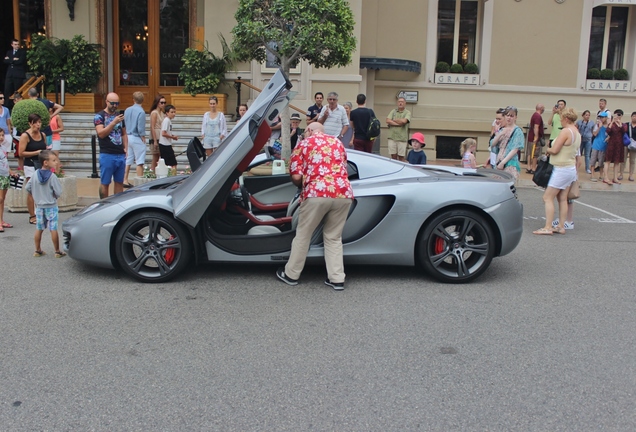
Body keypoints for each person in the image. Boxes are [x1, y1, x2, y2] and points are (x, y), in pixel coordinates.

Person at [276, 122, 354, 291]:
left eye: (305, 132)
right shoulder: (337, 143)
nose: (304, 135)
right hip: (343, 193)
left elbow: (297, 176)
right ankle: (337, 279)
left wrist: (300, 181)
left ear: (310, 131)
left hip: (316, 194)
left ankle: (291, 274)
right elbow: (344, 168)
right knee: (333, 237)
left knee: (304, 235)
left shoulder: (304, 143)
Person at [533, 108, 581, 236]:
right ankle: (561, 226)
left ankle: (548, 226)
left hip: (561, 168)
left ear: (566, 119)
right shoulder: (577, 132)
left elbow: (555, 150)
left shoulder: (566, 131)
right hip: (570, 168)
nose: (560, 121)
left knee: (547, 197)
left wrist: (547, 150)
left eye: (561, 119)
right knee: (562, 198)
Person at [25, 150, 65, 258]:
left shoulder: (34, 175)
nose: (56, 162)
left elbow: (27, 188)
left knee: (39, 228)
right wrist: (54, 196)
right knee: (53, 228)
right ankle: (57, 251)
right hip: (51, 206)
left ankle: (37, 250)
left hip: (39, 207)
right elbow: (58, 192)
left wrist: (36, 195)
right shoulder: (52, 177)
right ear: (45, 162)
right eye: (53, 160)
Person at [94, 92, 127, 199]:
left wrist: (126, 148)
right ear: (106, 102)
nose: (115, 106)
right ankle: (103, 205)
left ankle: (117, 204)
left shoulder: (119, 116)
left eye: (117, 103)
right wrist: (113, 123)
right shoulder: (99, 116)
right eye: (112, 103)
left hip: (120, 154)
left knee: (119, 182)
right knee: (105, 182)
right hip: (107, 153)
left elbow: (124, 133)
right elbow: (101, 134)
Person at [18, 113, 47, 224]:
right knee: (32, 190)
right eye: (35, 123)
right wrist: (36, 152)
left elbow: (45, 148)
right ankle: (32, 215)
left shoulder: (42, 135)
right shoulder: (25, 136)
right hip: (30, 164)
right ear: (30, 124)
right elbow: (21, 153)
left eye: (39, 122)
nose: (38, 125)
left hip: (41, 165)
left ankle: (42, 212)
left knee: (42, 189)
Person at [491, 106, 525, 179]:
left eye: (512, 116)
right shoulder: (502, 129)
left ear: (516, 117)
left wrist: (503, 162)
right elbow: (493, 144)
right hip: (499, 160)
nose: (509, 118)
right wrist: (500, 134)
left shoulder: (517, 131)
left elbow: (515, 149)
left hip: (510, 163)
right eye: (507, 115)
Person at [122, 91, 146, 187]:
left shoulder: (127, 110)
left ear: (133, 99)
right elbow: (140, 127)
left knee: (128, 159)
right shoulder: (141, 111)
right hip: (136, 136)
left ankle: (125, 179)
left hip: (128, 135)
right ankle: (139, 182)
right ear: (143, 100)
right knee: (139, 160)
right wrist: (143, 136)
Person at [603, 109, 626, 185]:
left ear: (622, 116)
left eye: (619, 115)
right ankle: (606, 177)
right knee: (608, 161)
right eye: (616, 114)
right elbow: (607, 131)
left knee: (617, 162)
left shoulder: (623, 125)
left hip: (619, 146)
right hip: (611, 144)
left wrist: (619, 124)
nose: (618, 116)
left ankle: (615, 178)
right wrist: (612, 122)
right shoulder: (611, 124)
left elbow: (624, 131)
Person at [0, 128, 17, 231]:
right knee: (0, 200)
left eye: (2, 135)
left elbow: (5, 162)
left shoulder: (2, 147)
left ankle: (1, 220)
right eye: (0, 135)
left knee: (2, 200)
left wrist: (11, 172)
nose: (1, 137)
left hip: (5, 175)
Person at [386, 97, 411, 161]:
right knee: (393, 156)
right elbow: (388, 120)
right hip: (392, 137)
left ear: (405, 103)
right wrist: (398, 124)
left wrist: (393, 121)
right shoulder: (393, 111)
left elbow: (404, 121)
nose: (400, 103)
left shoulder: (407, 113)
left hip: (402, 138)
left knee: (401, 157)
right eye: (399, 101)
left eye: (402, 102)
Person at [3, 40, 26, 106]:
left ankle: (18, 105)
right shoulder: (9, 52)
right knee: (7, 90)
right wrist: (13, 59)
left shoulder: (22, 52)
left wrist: (9, 59)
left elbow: (20, 61)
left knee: (18, 91)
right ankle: (7, 106)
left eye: (18, 44)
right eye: (15, 44)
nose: (17, 46)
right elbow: (5, 61)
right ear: (12, 45)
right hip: (10, 74)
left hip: (18, 74)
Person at [589, 111, 609, 182]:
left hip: (603, 145)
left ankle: (601, 175)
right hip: (596, 144)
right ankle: (592, 175)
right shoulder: (597, 125)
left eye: (603, 117)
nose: (601, 119)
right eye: (600, 117)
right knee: (593, 160)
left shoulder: (608, 126)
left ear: (606, 118)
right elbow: (594, 134)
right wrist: (599, 127)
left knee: (601, 161)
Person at [149, 94, 166, 172]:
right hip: (155, 135)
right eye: (161, 102)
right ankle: (151, 172)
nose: (163, 104)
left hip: (161, 136)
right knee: (155, 156)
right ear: (157, 103)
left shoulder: (162, 113)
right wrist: (155, 140)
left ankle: (155, 171)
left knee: (159, 156)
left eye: (164, 102)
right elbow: (152, 126)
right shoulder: (154, 113)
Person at [526, 104, 545, 174]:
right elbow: (536, 127)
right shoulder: (538, 116)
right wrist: (536, 136)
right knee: (535, 153)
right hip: (534, 138)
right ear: (541, 108)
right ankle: (533, 168)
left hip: (531, 136)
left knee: (529, 152)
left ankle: (529, 166)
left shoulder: (534, 115)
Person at [159, 104, 178, 170]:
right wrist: (172, 137)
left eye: (174, 112)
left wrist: (172, 136)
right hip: (165, 145)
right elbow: (163, 133)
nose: (173, 114)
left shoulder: (169, 121)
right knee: (173, 163)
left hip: (167, 144)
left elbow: (167, 132)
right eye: (172, 112)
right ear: (167, 113)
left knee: (170, 163)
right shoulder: (166, 121)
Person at [576, 110, 594, 174]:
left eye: (588, 115)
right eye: (586, 115)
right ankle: (576, 167)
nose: (587, 116)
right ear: (583, 115)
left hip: (588, 140)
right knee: (578, 154)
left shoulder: (591, 123)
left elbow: (592, 130)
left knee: (587, 155)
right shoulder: (579, 122)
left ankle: (587, 168)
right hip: (580, 140)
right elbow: (576, 129)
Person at [625, 111, 636, 182]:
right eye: (633, 116)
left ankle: (631, 175)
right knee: (623, 159)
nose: (634, 118)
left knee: (632, 160)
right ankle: (621, 174)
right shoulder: (626, 124)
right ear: (631, 117)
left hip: (634, 145)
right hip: (626, 144)